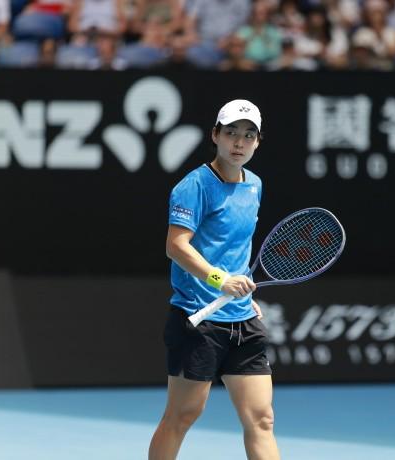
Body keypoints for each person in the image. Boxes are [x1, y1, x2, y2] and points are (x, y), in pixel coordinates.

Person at [149, 99, 280, 460]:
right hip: (199, 319)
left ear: (258, 142)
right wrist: (220, 280)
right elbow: (176, 246)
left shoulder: (254, 185)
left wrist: (243, 294)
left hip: (242, 320)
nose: (239, 142)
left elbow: (235, 247)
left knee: (262, 419)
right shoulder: (194, 186)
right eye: (232, 133)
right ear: (216, 136)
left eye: (249, 135)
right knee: (182, 416)